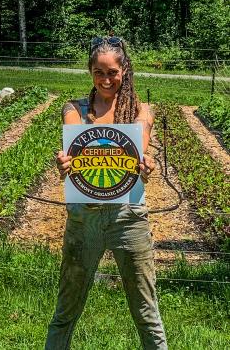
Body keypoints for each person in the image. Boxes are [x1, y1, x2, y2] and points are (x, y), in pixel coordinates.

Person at [45, 36, 167, 350]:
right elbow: (73, 142)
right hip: (84, 219)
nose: (106, 79)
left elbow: (138, 155)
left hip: (129, 219)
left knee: (146, 312)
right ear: (90, 72)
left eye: (112, 71)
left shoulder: (141, 111)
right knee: (66, 310)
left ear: (124, 70)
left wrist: (146, 166)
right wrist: (65, 164)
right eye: (99, 72)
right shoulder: (74, 109)